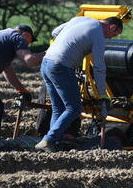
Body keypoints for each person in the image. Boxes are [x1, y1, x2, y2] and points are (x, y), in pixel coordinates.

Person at [35, 16, 123, 152]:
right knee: (74, 108)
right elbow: (99, 67)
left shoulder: (80, 19)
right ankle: (49, 139)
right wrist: (102, 94)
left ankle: (53, 144)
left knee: (58, 107)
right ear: (112, 27)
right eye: (113, 34)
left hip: (46, 63)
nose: (110, 38)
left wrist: (71, 43)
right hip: (61, 67)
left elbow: (55, 32)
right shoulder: (98, 34)